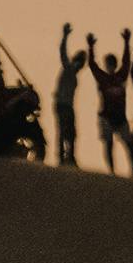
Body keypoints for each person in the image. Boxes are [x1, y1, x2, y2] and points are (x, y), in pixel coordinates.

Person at [93, 36, 132, 174]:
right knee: (108, 145)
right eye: (108, 64)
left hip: (121, 117)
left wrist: (127, 42)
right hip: (106, 116)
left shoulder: (121, 76)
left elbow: (127, 62)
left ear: (115, 65)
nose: (110, 67)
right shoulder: (103, 78)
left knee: (129, 144)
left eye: (112, 64)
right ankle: (111, 171)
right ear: (106, 65)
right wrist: (91, 47)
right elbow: (93, 65)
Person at [51, 22, 88, 167]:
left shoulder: (73, 73)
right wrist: (65, 36)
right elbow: (62, 53)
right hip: (62, 104)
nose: (81, 65)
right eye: (80, 61)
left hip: (67, 105)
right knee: (63, 130)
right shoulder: (69, 68)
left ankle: (69, 157)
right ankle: (63, 157)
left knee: (71, 132)